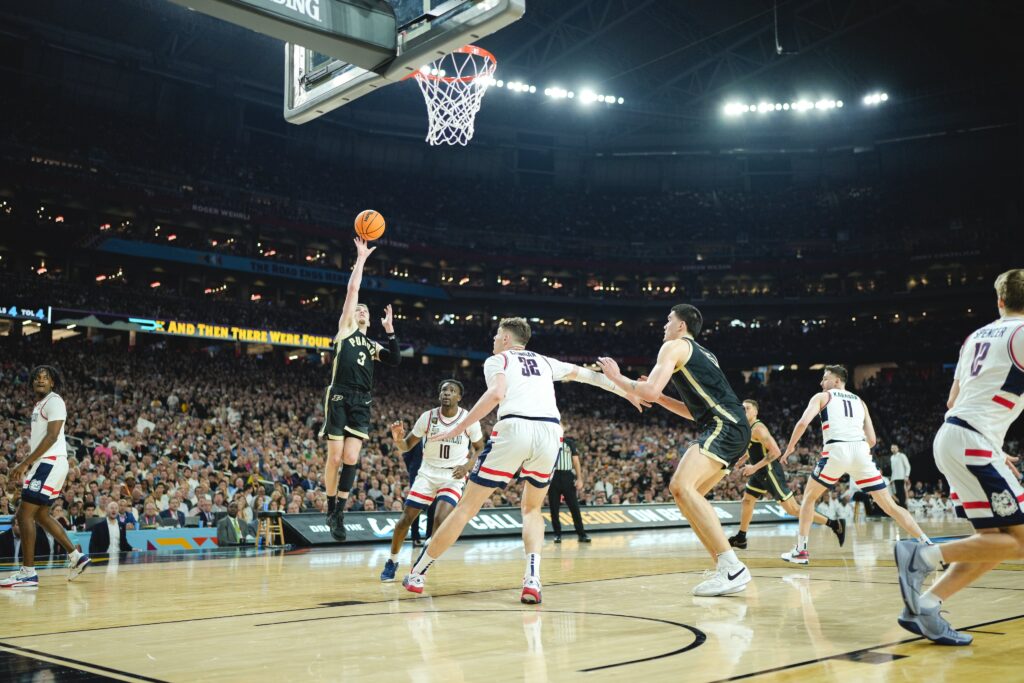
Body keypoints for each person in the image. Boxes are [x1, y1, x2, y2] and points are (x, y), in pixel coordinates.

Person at [402, 317, 644, 603]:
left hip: (515, 427)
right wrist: (627, 390)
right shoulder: (545, 361)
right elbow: (588, 376)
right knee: (531, 510)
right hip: (550, 432)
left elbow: (496, 393)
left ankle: (417, 574)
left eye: (496, 335)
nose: (493, 340)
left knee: (466, 508)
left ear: (506, 338)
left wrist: (458, 427)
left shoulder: (498, 360)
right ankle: (532, 581)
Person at [894, 269, 1024, 646]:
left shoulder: (975, 337)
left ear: (999, 301)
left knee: (994, 541)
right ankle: (922, 555)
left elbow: (954, 399)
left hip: (957, 436)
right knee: (1019, 542)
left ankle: (926, 606)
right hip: (974, 441)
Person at [598, 304, 753, 597]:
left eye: (669, 320)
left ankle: (732, 567)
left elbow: (650, 391)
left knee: (680, 485)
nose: (664, 325)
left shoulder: (673, 346)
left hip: (725, 425)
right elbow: (693, 411)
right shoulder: (705, 354)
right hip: (730, 425)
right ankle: (725, 568)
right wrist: (658, 400)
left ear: (681, 326)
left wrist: (616, 377)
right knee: (686, 496)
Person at [779, 365, 930, 565]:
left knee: (808, 498)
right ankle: (927, 543)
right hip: (860, 451)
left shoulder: (822, 397)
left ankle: (801, 551)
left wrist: (789, 448)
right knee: (891, 507)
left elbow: (802, 423)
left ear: (836, 381)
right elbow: (873, 440)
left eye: (825, 379)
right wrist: (856, 450)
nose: (821, 383)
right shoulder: (860, 402)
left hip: (837, 450)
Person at [321, 237, 401, 541]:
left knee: (352, 458)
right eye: (359, 310)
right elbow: (353, 291)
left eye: (365, 310)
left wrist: (391, 330)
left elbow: (394, 360)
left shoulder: (371, 344)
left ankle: (339, 510)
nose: (362, 311)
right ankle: (330, 505)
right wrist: (361, 258)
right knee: (336, 457)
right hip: (340, 394)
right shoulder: (346, 330)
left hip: (362, 400)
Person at [383, 380, 485, 581]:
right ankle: (392, 560)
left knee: (440, 521)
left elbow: (480, 448)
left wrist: (467, 466)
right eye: (444, 390)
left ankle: (422, 564)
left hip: (452, 477)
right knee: (405, 520)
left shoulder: (469, 419)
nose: (447, 393)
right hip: (428, 474)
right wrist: (397, 439)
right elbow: (406, 446)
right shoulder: (427, 418)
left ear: (459, 397)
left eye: (452, 390)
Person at [1, 366, 90, 589]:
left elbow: (51, 437)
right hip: (47, 463)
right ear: (32, 383)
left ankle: (28, 573)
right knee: (40, 515)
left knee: (23, 515)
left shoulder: (55, 401)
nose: (41, 380)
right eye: (37, 378)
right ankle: (75, 556)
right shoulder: (40, 404)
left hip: (49, 462)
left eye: (46, 377)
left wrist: (25, 463)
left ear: (53, 383)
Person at [728, 399, 845, 550]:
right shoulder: (748, 428)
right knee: (747, 501)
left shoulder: (758, 429)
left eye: (747, 408)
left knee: (793, 509)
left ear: (755, 412)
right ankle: (741, 537)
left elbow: (776, 452)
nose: (743, 411)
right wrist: (743, 459)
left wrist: (753, 468)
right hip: (759, 472)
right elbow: (754, 448)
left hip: (769, 471)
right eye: (742, 408)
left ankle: (835, 524)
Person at [547, 429, 591, 543]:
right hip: (553, 476)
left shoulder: (569, 442)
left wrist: (579, 478)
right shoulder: (548, 442)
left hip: (567, 476)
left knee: (574, 507)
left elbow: (576, 462)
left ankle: (582, 534)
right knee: (554, 508)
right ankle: (557, 534)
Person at [889, 444, 911, 508]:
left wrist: (906, 476)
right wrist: (892, 478)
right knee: (898, 493)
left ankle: (904, 507)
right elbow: (893, 470)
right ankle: (901, 507)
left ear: (898, 448)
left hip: (902, 477)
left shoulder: (902, 455)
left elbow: (907, 466)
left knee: (903, 493)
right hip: (895, 478)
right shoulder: (892, 457)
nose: (893, 449)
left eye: (895, 448)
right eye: (892, 448)